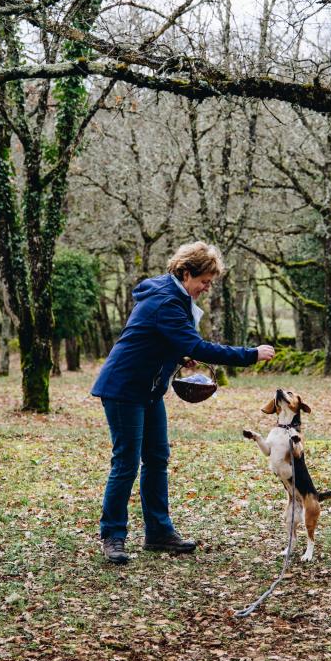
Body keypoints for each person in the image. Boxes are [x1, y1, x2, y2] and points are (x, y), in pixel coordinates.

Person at [91, 241, 275, 564]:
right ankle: (113, 536)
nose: (206, 288)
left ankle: (159, 532)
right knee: (126, 462)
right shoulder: (166, 301)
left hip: (149, 390)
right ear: (186, 272)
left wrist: (180, 353)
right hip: (123, 389)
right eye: (204, 281)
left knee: (157, 457)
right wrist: (250, 355)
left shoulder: (174, 295)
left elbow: (167, 340)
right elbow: (200, 346)